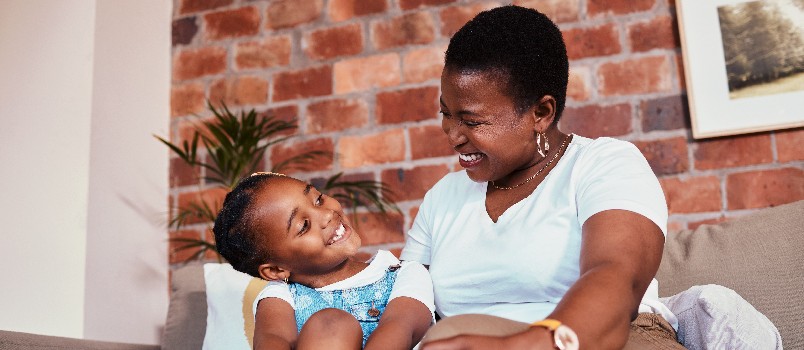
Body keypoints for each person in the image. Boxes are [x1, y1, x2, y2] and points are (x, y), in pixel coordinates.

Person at [400, 5, 684, 350]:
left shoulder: (603, 164)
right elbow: (405, 300)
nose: (453, 135)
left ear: (541, 113)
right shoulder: (442, 198)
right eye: (446, 114)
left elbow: (615, 277)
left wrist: (525, 344)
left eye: (472, 121)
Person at [213, 172, 435, 350]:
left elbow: (400, 328)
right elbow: (271, 340)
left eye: (318, 199)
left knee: (333, 323)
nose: (327, 214)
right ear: (276, 269)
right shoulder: (280, 297)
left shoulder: (405, 274)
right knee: (331, 323)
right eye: (304, 226)